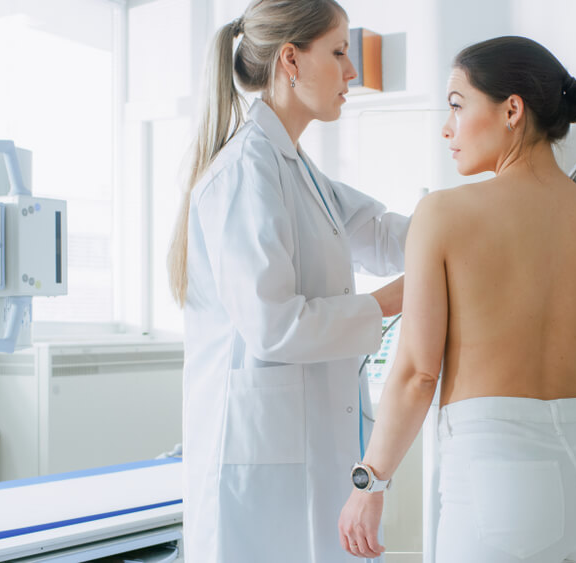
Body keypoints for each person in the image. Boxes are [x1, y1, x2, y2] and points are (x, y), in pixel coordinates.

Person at [337, 36, 576, 563]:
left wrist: (370, 484)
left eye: (457, 105)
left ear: (512, 110)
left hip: (501, 482)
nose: (447, 127)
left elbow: (417, 373)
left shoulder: (444, 215)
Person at [166, 0, 410, 561]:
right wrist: (392, 300)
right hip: (258, 471)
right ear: (291, 61)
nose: (352, 71)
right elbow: (274, 327)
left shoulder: (295, 167)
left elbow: (378, 232)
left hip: (304, 451)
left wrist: (482, 226)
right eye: (340, 52)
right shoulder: (245, 170)